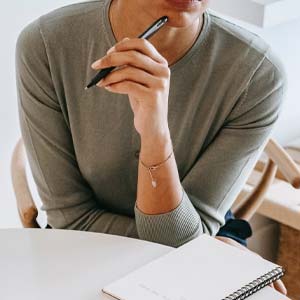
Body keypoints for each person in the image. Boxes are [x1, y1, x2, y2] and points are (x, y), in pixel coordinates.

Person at [15, 0, 286, 294]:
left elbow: (190, 239)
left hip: (196, 243)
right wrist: (201, 247)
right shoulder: (46, 43)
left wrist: (155, 133)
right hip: (90, 245)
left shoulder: (258, 74)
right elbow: (71, 217)